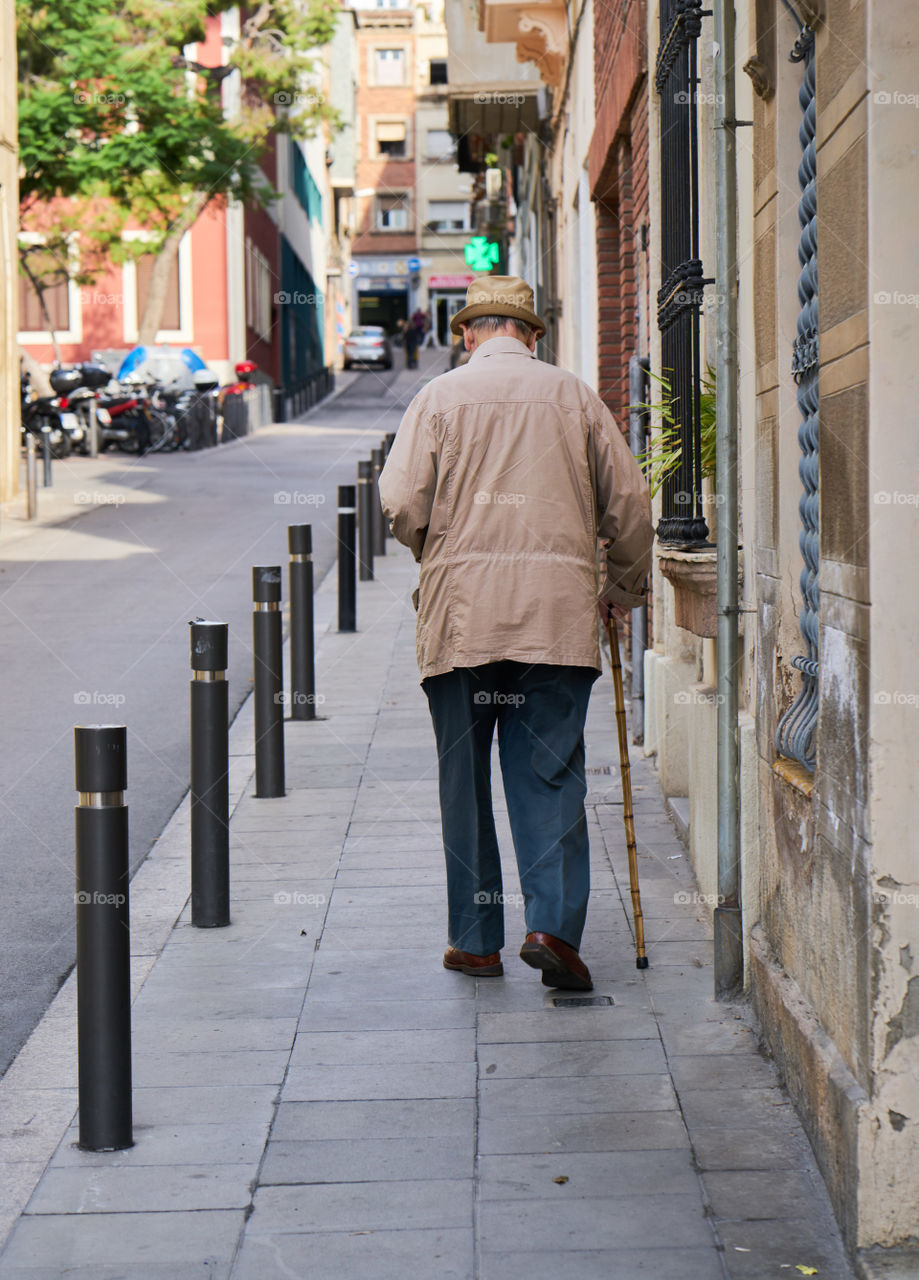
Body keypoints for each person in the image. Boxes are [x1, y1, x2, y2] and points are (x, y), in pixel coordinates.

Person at [379, 275, 654, 992]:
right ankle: (551, 930)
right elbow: (627, 506)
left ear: (469, 334)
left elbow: (402, 501)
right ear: (533, 334)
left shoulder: (437, 398)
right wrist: (621, 590)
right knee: (550, 774)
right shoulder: (573, 396)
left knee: (461, 781)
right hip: (554, 616)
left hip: (461, 618)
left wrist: (438, 555)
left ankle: (475, 944)